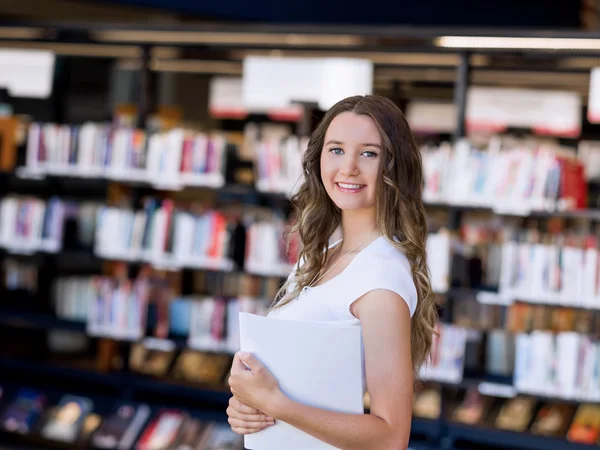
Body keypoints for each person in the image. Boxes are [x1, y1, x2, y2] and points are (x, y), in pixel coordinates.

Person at [227, 94, 438, 450]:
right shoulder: (324, 254)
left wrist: (276, 404)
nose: (349, 167)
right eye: (336, 149)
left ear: (394, 165)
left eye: (369, 153)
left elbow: (391, 437)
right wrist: (248, 406)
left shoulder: (381, 277)